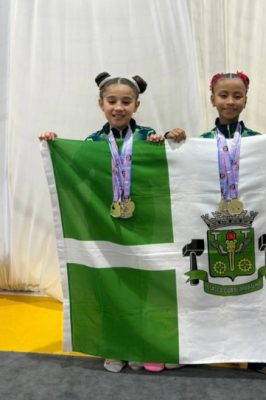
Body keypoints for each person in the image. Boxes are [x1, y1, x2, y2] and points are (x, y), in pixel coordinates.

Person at [39, 72, 185, 373]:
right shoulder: (93, 142)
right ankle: (114, 347)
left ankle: (146, 346)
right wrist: (55, 145)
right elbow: (75, 171)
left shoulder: (147, 136)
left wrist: (173, 139)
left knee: (146, 286)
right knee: (110, 285)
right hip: (107, 225)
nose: (119, 107)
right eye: (112, 101)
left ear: (136, 105)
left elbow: (168, 169)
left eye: (126, 101)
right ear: (101, 104)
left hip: (144, 224)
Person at [201, 71, 266, 379]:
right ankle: (204, 350)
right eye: (223, 95)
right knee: (210, 294)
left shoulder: (260, 141)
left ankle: (259, 358)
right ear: (212, 99)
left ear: (245, 100)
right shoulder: (198, 143)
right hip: (211, 230)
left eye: (237, 96)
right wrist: (174, 142)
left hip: (253, 229)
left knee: (256, 293)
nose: (230, 101)